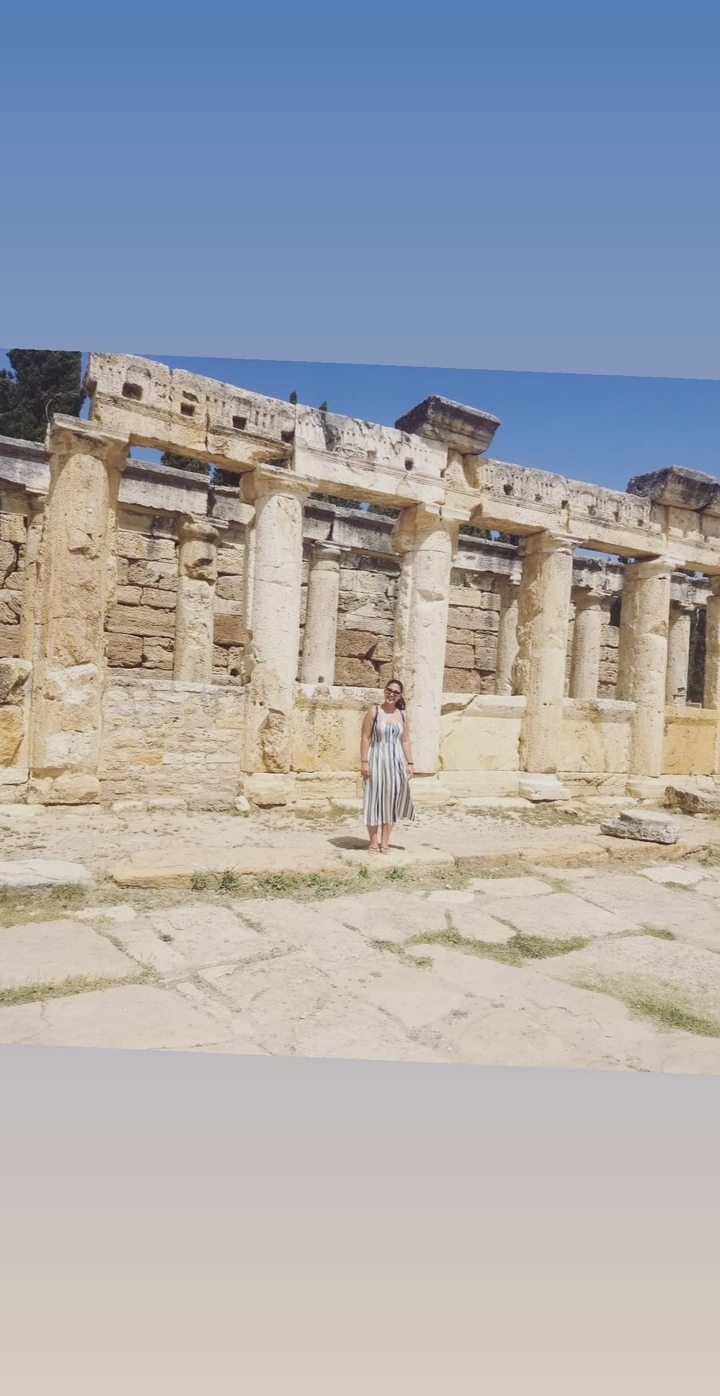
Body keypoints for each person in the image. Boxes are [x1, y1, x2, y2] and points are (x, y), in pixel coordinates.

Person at [360, 678, 415, 854]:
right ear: (384, 691)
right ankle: (373, 842)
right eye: (389, 690)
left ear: (400, 695)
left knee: (391, 802)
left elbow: (405, 740)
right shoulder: (374, 711)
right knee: (373, 799)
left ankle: (385, 842)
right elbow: (365, 737)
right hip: (376, 758)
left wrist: (410, 763)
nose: (391, 694)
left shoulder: (403, 715)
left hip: (395, 761)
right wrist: (364, 761)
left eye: (396, 692)